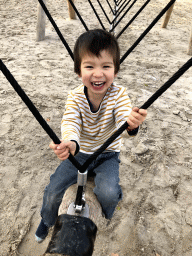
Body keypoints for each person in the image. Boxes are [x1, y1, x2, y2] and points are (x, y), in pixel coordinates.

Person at [35, 29, 147, 242]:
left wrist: (131, 123)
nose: (98, 74)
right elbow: (71, 121)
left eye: (106, 66)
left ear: (115, 69)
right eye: (89, 66)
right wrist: (71, 143)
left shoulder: (119, 95)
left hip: (107, 154)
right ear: (78, 71)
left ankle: (106, 213)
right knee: (52, 192)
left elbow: (124, 115)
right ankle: (47, 220)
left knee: (109, 193)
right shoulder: (75, 97)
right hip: (80, 153)